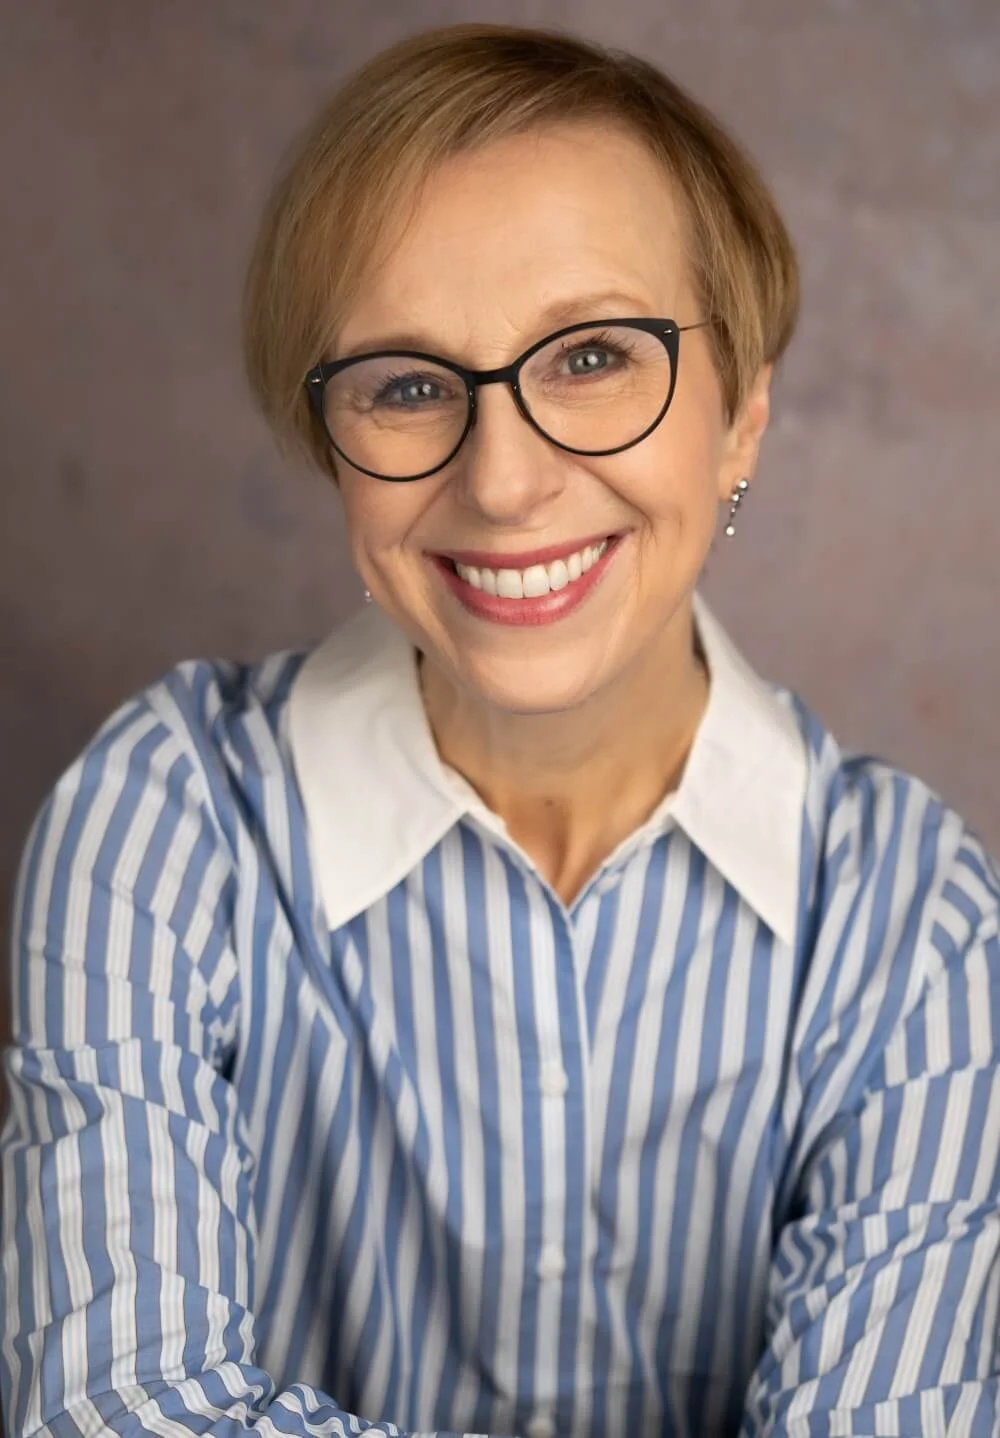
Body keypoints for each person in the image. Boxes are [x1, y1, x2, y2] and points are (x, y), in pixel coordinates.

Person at [2, 20, 997, 1438]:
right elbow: (112, 1413)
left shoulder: (915, 924)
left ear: (744, 419)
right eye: (409, 384)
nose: (507, 478)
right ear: (332, 447)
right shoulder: (162, 828)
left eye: (593, 355)